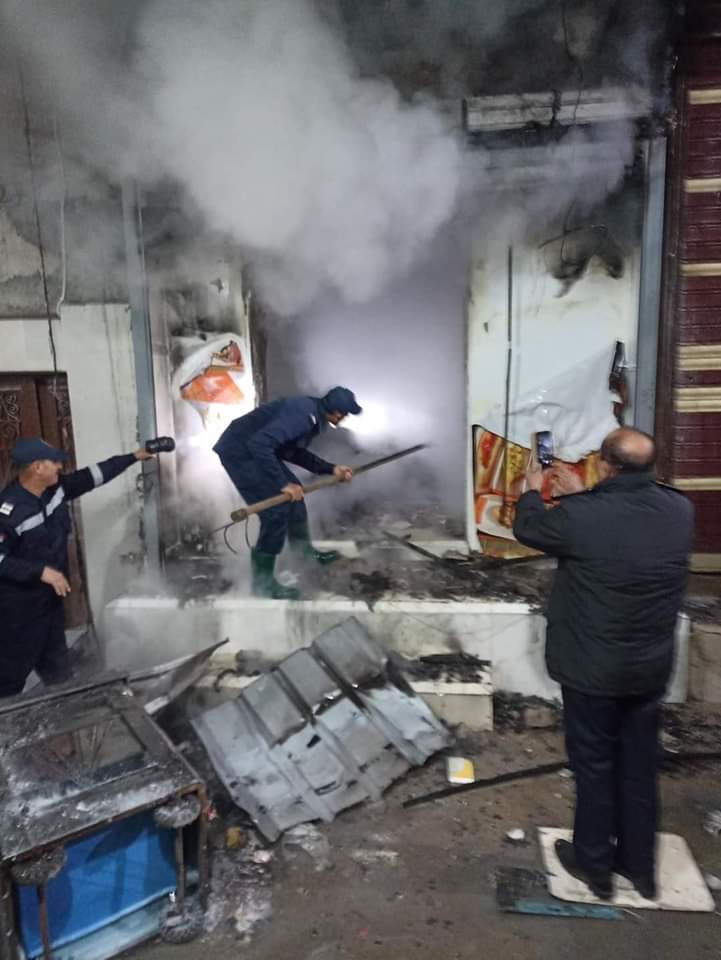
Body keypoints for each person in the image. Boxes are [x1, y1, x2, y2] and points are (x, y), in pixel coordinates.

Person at [513, 428, 693, 901]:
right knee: (639, 769)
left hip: (592, 671)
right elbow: (621, 525)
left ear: (605, 466)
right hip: (649, 670)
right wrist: (584, 495)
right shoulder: (680, 510)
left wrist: (532, 490)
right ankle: (641, 870)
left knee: (594, 767)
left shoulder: (581, 516)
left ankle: (594, 867)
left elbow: (530, 528)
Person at [0, 437, 157, 698]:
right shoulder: (9, 511)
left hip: (49, 604)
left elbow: (93, 476)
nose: (59, 467)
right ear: (37, 467)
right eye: (54, 462)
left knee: (59, 674)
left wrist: (134, 456)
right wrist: (40, 572)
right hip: (17, 610)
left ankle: (67, 713)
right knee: (9, 679)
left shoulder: (56, 489)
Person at [214, 386, 361, 599]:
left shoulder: (314, 416)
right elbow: (260, 444)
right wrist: (283, 484)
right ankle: (263, 584)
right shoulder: (303, 416)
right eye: (345, 413)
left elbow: (293, 452)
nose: (345, 417)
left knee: (295, 498)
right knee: (276, 510)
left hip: (254, 448)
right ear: (337, 412)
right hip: (239, 451)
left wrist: (331, 469)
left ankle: (305, 556)